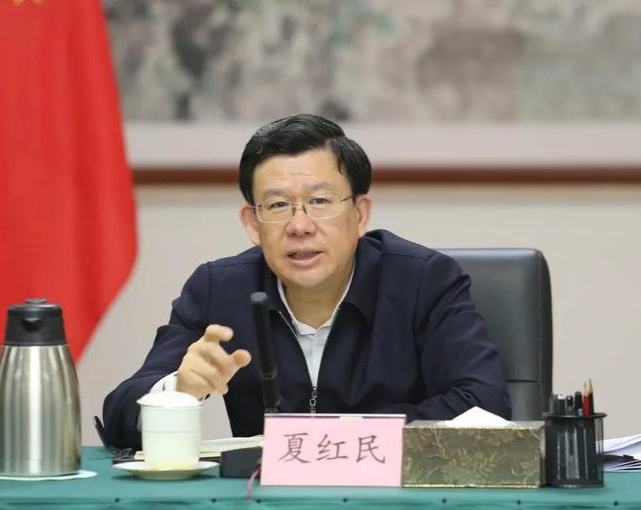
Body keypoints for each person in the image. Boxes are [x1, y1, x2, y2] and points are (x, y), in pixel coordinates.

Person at [103, 114, 510, 449]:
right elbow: (120, 421)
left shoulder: (424, 280)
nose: (300, 226)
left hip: (395, 503)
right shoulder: (219, 289)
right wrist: (178, 390)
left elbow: (485, 407)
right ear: (253, 224)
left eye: (319, 201)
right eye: (279, 205)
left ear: (360, 214)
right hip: (266, 508)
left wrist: (331, 440)